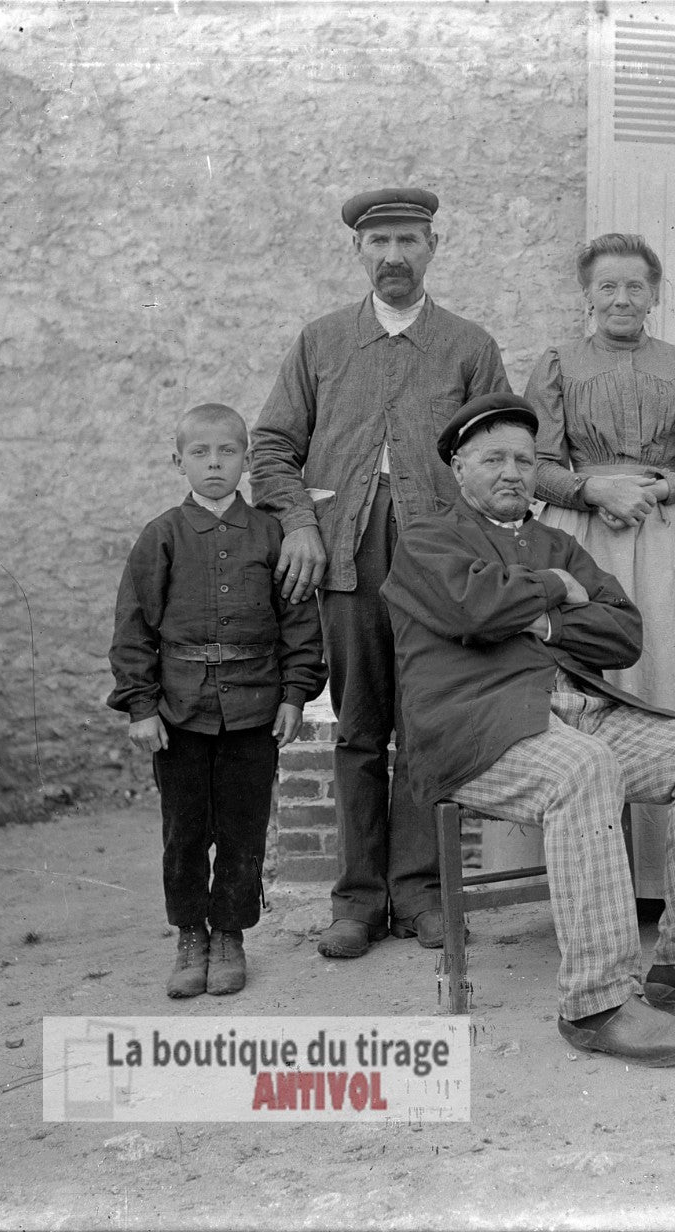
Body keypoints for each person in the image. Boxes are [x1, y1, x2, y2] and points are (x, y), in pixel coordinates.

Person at [384, 393, 675, 1067]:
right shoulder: (428, 537)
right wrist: (553, 587)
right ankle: (597, 1003)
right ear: (459, 468)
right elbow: (474, 609)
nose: (512, 472)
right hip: (476, 728)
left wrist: (539, 619)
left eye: (523, 460)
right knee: (583, 768)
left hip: (578, 712)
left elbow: (622, 634)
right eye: (493, 459)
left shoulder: (559, 541)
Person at [251, 188, 511, 959]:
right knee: (360, 728)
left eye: (408, 241)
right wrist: (302, 524)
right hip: (349, 553)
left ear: (433, 247)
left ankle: (422, 895)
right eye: (379, 243)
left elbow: (499, 457)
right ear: (358, 251)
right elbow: (272, 448)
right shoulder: (322, 342)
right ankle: (358, 901)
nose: (393, 257)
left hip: (438, 560)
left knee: (427, 725)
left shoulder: (469, 346)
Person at [524, 233, 675, 918]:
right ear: (587, 295)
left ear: (655, 294)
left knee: (674, 678)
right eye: (607, 286)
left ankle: (674, 882)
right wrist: (594, 490)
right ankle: (592, 877)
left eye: (635, 286)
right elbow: (535, 465)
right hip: (583, 536)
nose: (621, 298)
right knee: (593, 688)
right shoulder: (557, 365)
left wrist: (656, 490)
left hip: (668, 537)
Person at [108, 403, 328, 997]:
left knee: (242, 829)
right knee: (184, 831)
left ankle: (229, 934)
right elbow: (133, 628)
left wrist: (294, 696)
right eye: (199, 453)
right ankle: (190, 936)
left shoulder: (270, 534)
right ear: (177, 461)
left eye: (227, 451)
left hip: (254, 710)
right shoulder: (161, 536)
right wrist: (141, 707)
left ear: (247, 461)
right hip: (179, 712)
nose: (213, 464)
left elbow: (299, 624)